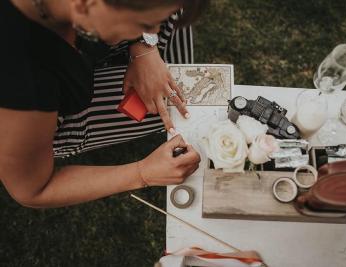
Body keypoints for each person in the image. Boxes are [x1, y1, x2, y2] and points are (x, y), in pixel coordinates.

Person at [0, 0, 207, 208]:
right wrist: (143, 173)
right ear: (84, 5)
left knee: (176, 10)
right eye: (145, 25)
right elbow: (33, 190)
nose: (154, 31)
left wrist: (145, 46)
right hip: (52, 118)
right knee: (176, 106)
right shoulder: (22, 81)